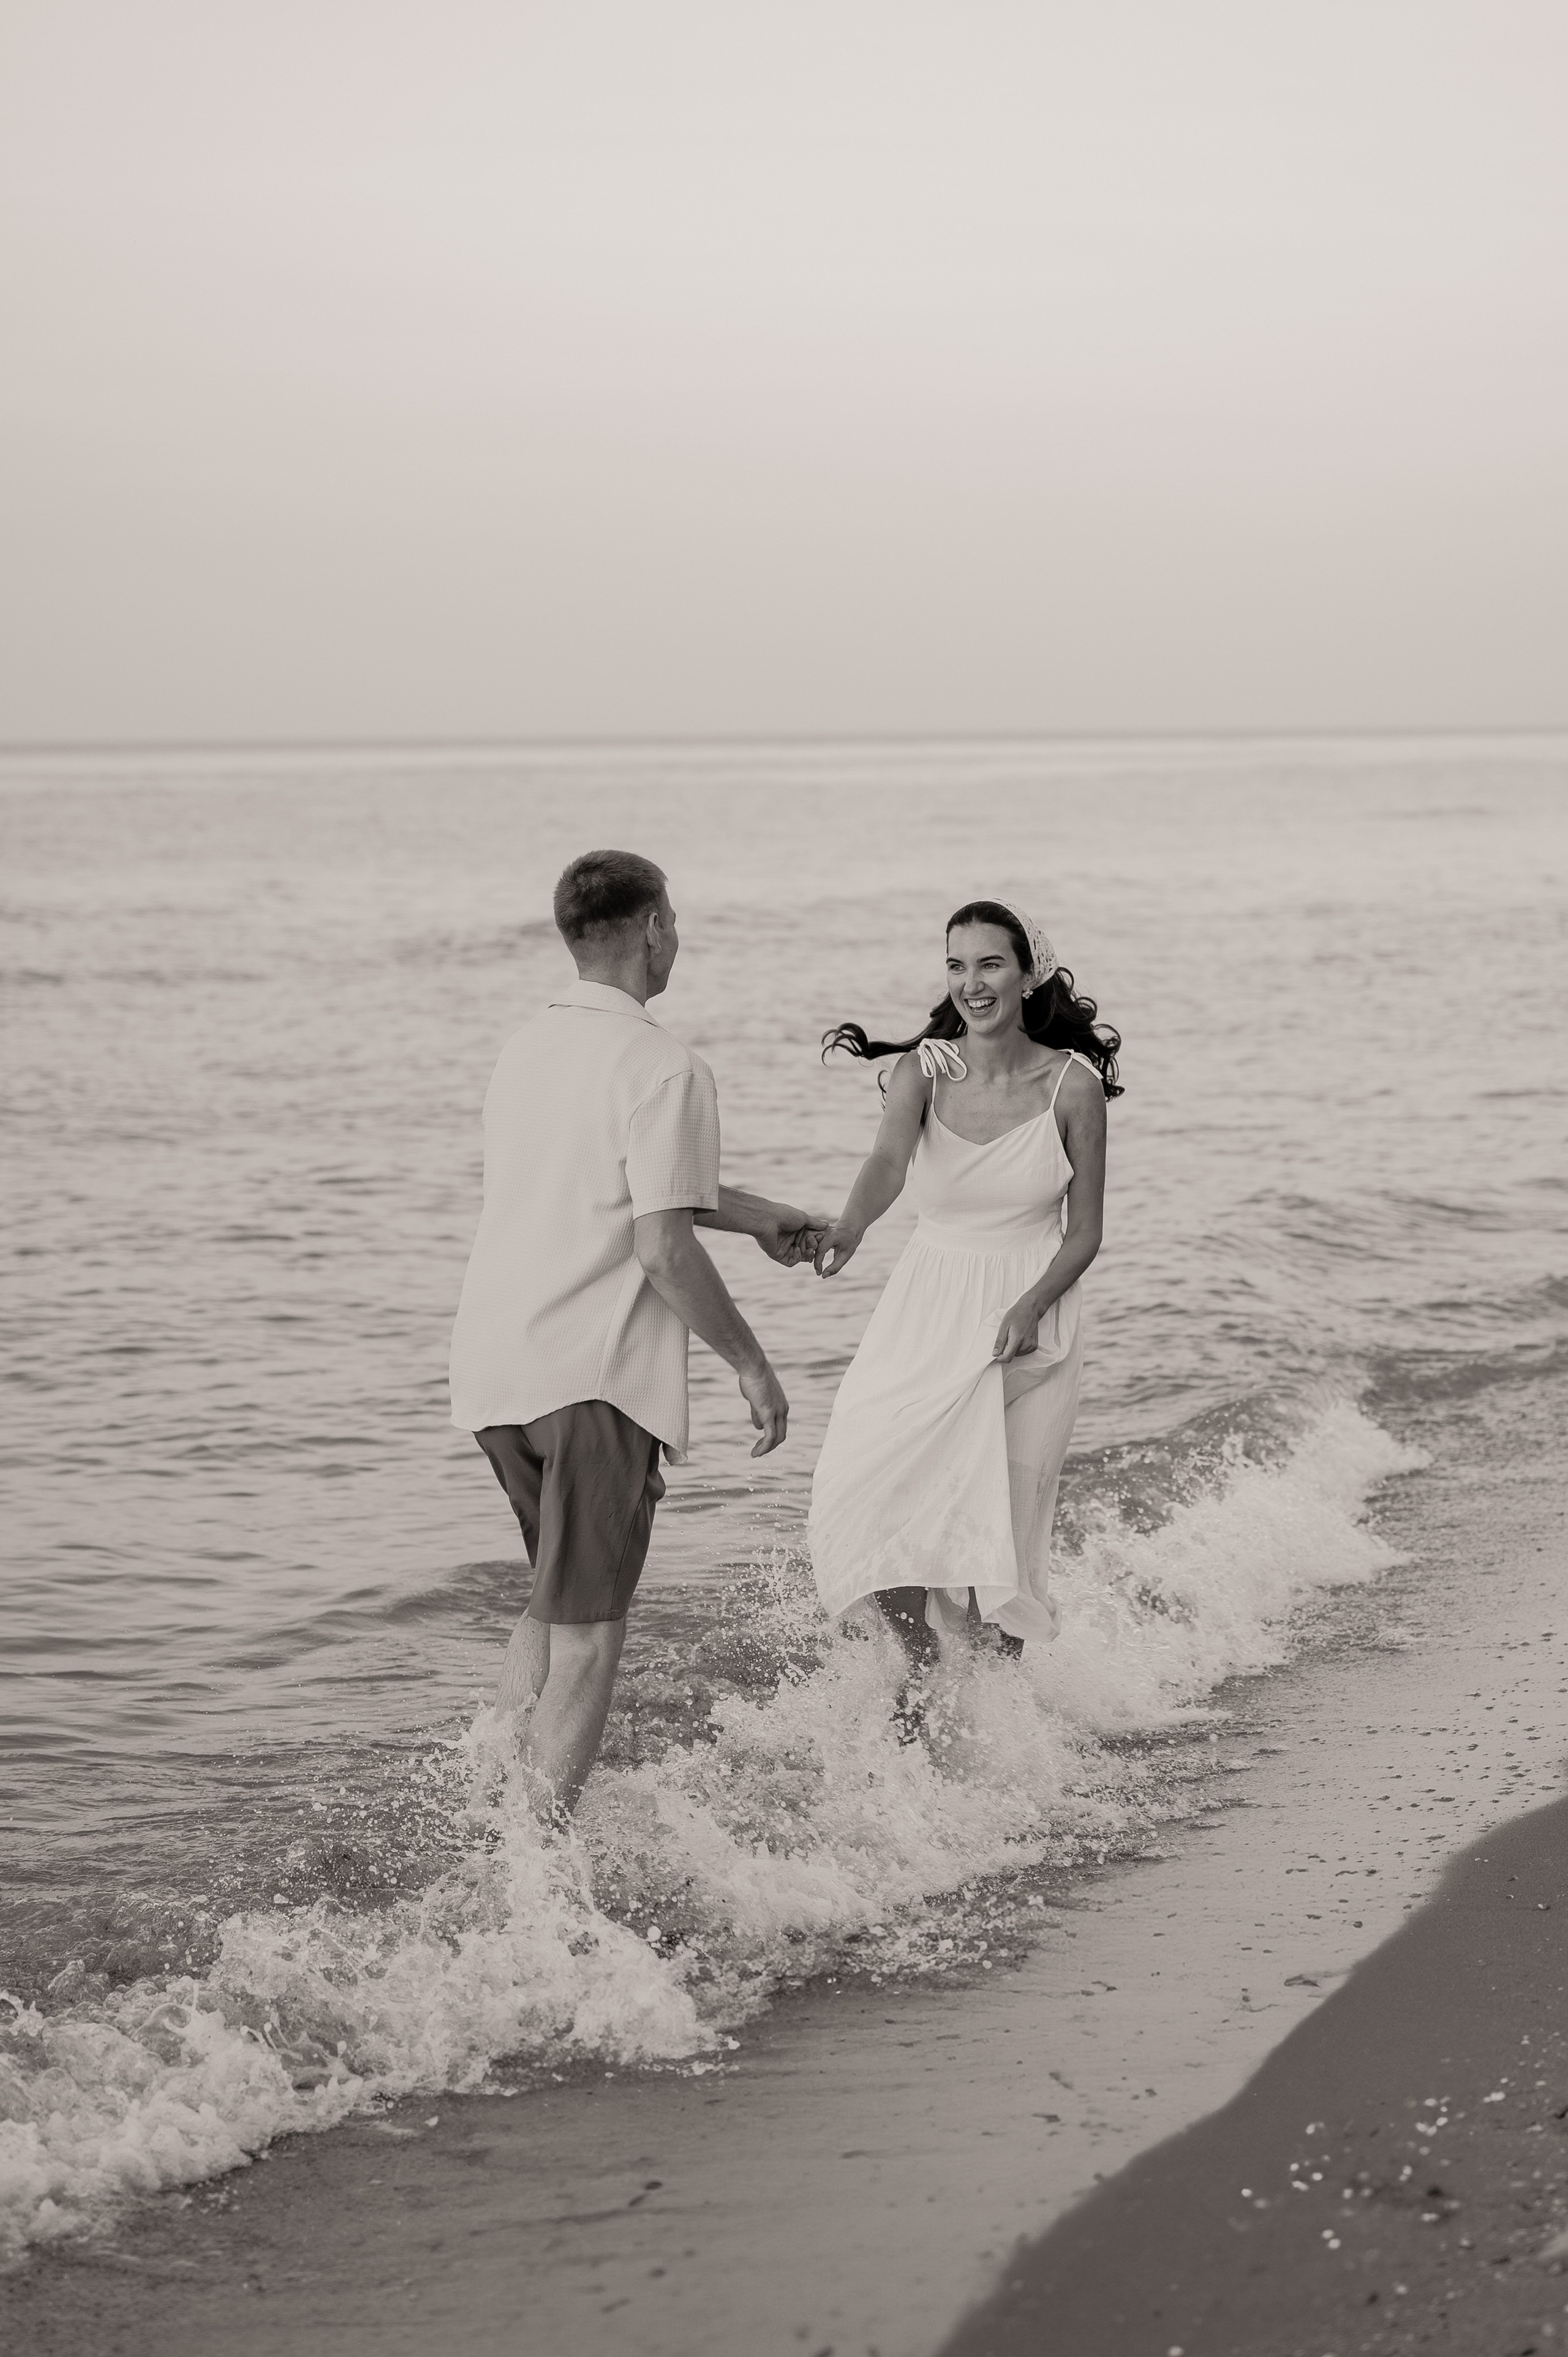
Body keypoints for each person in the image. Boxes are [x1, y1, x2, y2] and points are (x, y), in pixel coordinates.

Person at [449, 849, 821, 1820]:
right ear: (653, 927)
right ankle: (534, 1871)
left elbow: (615, 1185)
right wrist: (752, 1365)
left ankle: (489, 1820)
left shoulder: (526, 1048)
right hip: (593, 1378)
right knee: (591, 1637)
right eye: (675, 921)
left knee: (551, 1605)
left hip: (497, 1370)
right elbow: (660, 1247)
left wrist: (757, 1216)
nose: (677, 937)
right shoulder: (665, 1065)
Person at [807, 899, 1120, 1685]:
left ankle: (996, 1715)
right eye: (956, 965)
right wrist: (850, 1225)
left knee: (1001, 1532)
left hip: (1030, 1313)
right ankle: (918, 1661)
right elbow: (887, 1164)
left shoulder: (1072, 1087)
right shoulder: (924, 1071)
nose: (970, 983)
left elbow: (1084, 1232)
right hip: (927, 1305)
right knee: (869, 1480)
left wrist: (1029, 1305)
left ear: (1027, 975)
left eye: (989, 964)